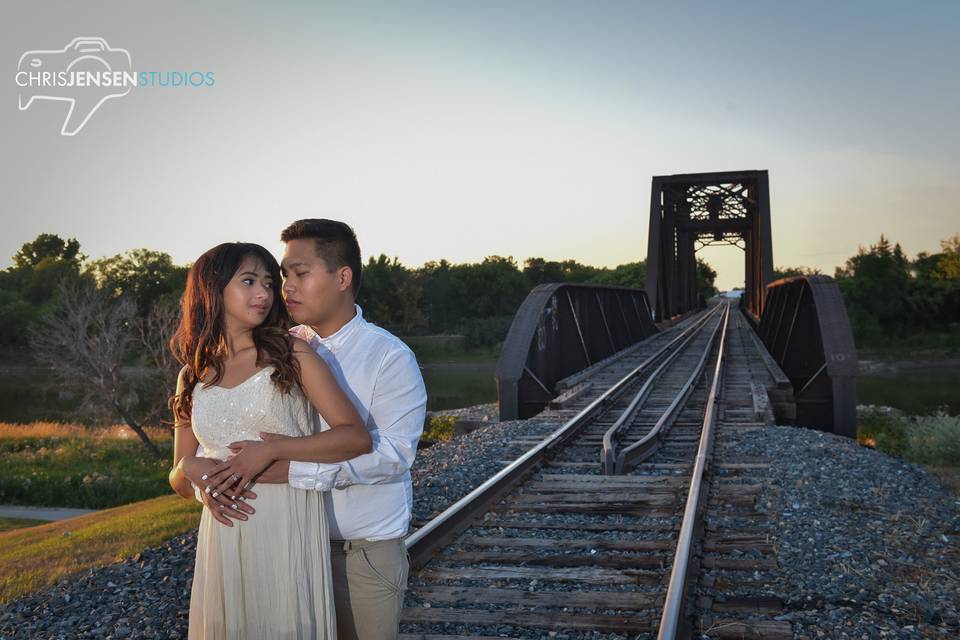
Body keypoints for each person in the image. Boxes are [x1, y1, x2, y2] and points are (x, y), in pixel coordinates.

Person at [200, 219, 427, 640]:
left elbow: (393, 457)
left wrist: (288, 466)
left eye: (299, 273)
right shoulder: (278, 348)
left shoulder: (389, 357)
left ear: (342, 278)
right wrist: (206, 481)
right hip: (285, 543)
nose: (284, 287)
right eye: (283, 275)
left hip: (358, 552)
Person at [167, 242, 373, 639]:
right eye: (248, 281)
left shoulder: (290, 352)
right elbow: (177, 479)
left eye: (267, 282)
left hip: (287, 527)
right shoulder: (192, 375)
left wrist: (273, 449)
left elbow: (355, 437)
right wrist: (189, 468)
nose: (264, 293)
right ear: (212, 289)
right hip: (223, 540)